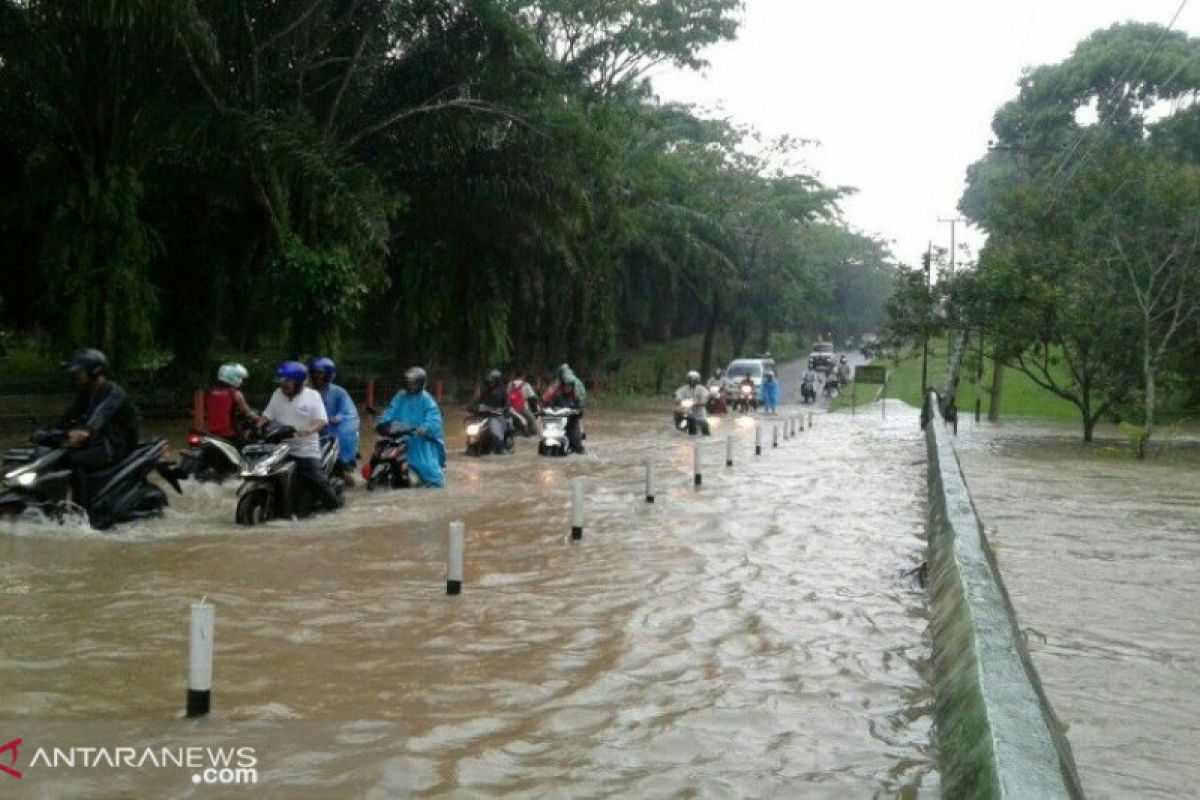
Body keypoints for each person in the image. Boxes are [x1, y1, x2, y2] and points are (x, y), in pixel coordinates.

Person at [259, 361, 342, 510]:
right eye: (282, 382)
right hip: (279, 448)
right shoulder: (277, 394)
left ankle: (334, 507)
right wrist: (258, 426)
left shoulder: (312, 396)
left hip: (305, 449)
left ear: (298, 382)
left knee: (318, 482)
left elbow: (321, 420)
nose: (283, 385)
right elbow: (266, 416)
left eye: (288, 382)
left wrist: (309, 430)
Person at [58, 348, 141, 472]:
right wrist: (51, 431)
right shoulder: (87, 392)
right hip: (98, 442)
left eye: (80, 372)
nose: (77, 375)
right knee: (56, 455)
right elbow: (71, 414)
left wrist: (86, 430)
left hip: (115, 446)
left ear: (93, 372)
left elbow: (100, 415)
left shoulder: (113, 393)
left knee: (72, 459)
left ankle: (83, 492)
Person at [376, 366, 446, 486]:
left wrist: (425, 427)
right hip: (399, 435)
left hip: (419, 440)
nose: (410, 387)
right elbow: (391, 410)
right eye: (408, 384)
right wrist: (381, 423)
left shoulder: (426, 399)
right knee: (378, 455)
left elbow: (434, 418)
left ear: (420, 384)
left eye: (413, 384)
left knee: (430, 471)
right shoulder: (400, 396)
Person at [309, 357, 360, 486]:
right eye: (315, 373)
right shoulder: (305, 392)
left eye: (320, 373)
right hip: (309, 431)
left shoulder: (338, 392)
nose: (317, 376)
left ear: (328, 375)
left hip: (329, 432)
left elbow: (349, 411)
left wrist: (337, 418)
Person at [205, 363, 260, 446]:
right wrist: (260, 419)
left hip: (211, 433)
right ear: (235, 378)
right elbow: (248, 413)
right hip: (228, 434)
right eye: (241, 379)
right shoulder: (235, 394)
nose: (242, 382)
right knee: (249, 448)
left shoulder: (211, 393)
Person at [542, 363, 586, 454]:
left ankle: (578, 449)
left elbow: (581, 407)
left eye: (569, 386)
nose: (567, 387)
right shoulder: (557, 394)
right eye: (565, 385)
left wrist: (578, 411)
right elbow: (548, 402)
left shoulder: (576, 395)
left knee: (577, 444)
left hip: (571, 422)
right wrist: (544, 410)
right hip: (557, 423)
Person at [472, 369, 511, 454]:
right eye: (489, 382)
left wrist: (502, 410)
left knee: (497, 431)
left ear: (497, 382)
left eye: (492, 382)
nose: (490, 383)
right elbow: (477, 403)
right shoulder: (484, 391)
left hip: (497, 417)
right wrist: (472, 407)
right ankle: (472, 443)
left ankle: (499, 446)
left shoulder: (503, 391)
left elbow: (507, 405)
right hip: (484, 417)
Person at [674, 370, 711, 435]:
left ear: (697, 380)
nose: (692, 381)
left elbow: (704, 400)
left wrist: (697, 403)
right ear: (687, 380)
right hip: (686, 412)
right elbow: (677, 398)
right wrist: (679, 401)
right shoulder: (683, 389)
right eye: (690, 379)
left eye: (694, 379)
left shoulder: (702, 389)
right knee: (677, 413)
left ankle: (706, 439)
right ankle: (679, 429)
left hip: (699, 414)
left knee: (705, 425)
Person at [507, 369, 541, 436]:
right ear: (523, 376)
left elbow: (507, 395)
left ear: (515, 375)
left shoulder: (510, 384)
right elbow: (533, 397)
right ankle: (540, 436)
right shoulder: (526, 385)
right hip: (522, 408)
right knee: (533, 420)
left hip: (511, 408)